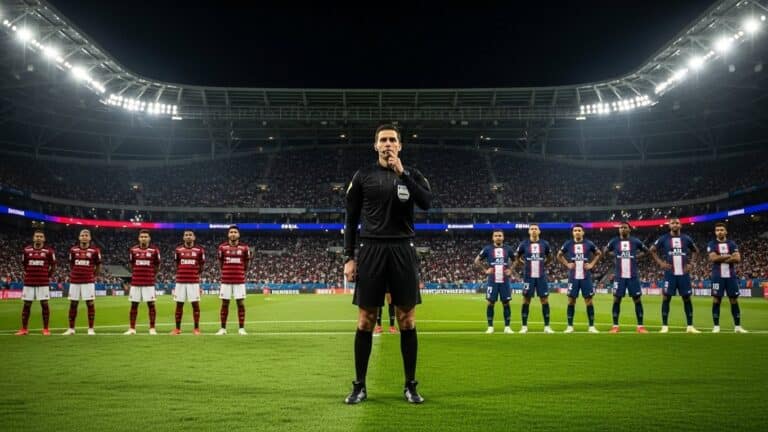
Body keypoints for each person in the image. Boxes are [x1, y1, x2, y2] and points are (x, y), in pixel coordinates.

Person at [343, 123, 432, 404]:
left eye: (392, 140)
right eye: (383, 140)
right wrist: (349, 257)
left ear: (400, 145)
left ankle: (410, 386)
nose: (388, 144)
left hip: (403, 249)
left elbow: (427, 203)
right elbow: (350, 219)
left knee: (407, 319)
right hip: (371, 249)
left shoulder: (412, 174)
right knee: (365, 320)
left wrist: (402, 173)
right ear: (375, 145)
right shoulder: (363, 175)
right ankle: (359, 386)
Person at [650, 217, 700, 333]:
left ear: (680, 225)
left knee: (686, 298)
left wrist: (691, 264)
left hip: (683, 274)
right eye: (672, 223)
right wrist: (660, 263)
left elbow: (695, 250)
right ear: (669, 225)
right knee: (666, 298)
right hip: (670, 274)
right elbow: (652, 249)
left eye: (677, 223)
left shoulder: (686, 238)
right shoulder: (664, 238)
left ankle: (690, 326)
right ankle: (664, 326)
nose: (675, 225)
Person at [604, 222, 649, 333]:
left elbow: (646, 251)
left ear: (629, 229)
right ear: (619, 230)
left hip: (632, 276)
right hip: (619, 276)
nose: (623, 229)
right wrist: (614, 257)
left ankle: (640, 326)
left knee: (637, 300)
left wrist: (636, 257)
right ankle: (615, 326)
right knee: (616, 299)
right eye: (621, 228)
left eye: (625, 227)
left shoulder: (635, 241)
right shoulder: (614, 241)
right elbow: (605, 251)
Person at [557, 224, 602, 333]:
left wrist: (592, 264)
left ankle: (591, 326)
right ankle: (570, 326)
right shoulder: (568, 244)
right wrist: (567, 264)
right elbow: (559, 255)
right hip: (573, 277)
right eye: (575, 230)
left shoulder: (589, 243)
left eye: (579, 230)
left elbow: (599, 253)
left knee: (589, 301)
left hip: (586, 277)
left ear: (583, 232)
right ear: (573, 233)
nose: (577, 232)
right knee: (571, 301)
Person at [707, 222, 747, 333]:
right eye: (717, 230)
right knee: (716, 299)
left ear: (726, 231)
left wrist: (721, 257)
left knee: (733, 299)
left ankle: (737, 327)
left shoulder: (732, 244)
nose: (719, 232)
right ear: (715, 232)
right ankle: (716, 326)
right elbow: (713, 258)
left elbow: (737, 259)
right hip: (717, 276)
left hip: (731, 276)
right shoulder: (712, 244)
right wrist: (729, 256)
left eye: (721, 230)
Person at [16, 229, 56, 336]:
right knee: (27, 304)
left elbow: (53, 266)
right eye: (37, 236)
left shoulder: (49, 251)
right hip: (29, 282)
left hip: (43, 282)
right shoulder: (26, 250)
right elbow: (25, 265)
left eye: (41, 236)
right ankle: (24, 329)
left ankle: (46, 329)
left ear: (44, 239)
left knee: (44, 304)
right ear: (33, 238)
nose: (38, 238)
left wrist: (47, 276)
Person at [515, 223, 554, 334]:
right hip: (528, 276)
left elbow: (550, 257)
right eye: (531, 229)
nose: (533, 230)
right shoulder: (524, 244)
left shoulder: (545, 244)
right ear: (529, 231)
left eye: (535, 229)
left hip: (541, 276)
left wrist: (543, 264)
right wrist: (524, 264)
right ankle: (524, 326)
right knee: (526, 300)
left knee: (544, 300)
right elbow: (517, 257)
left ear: (539, 231)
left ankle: (547, 326)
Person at [474, 230, 515, 334]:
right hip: (492, 280)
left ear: (503, 237)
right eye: (496, 236)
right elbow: (477, 260)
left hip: (504, 281)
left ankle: (507, 327)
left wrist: (511, 269)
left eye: (500, 235)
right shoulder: (487, 249)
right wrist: (485, 270)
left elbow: (516, 260)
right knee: (490, 303)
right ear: (493, 238)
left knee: (506, 303)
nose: (498, 237)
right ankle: (490, 327)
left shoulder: (508, 249)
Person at [63, 229, 101, 336]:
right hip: (75, 281)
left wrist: (93, 276)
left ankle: (91, 329)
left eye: (86, 235)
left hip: (88, 281)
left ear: (90, 238)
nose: (84, 237)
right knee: (73, 304)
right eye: (82, 235)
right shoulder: (73, 250)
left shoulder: (95, 251)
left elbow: (98, 265)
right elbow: (71, 264)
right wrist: (75, 273)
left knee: (90, 304)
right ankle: (71, 329)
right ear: (79, 237)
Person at [216, 225, 251, 336]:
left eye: (235, 232)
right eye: (231, 232)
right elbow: (220, 263)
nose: (233, 234)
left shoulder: (244, 248)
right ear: (228, 234)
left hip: (239, 280)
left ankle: (241, 328)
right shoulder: (222, 247)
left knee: (240, 303)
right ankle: (223, 328)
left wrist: (240, 272)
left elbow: (246, 264)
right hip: (226, 280)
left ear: (238, 234)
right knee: (224, 303)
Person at [124, 230, 161, 335]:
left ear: (149, 238)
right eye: (142, 237)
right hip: (136, 282)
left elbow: (157, 266)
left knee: (151, 305)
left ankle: (152, 328)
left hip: (149, 282)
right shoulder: (133, 250)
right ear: (139, 238)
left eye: (145, 237)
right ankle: (132, 328)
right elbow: (131, 265)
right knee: (134, 305)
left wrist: (151, 275)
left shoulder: (154, 251)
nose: (143, 238)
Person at [172, 230, 206, 335]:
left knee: (195, 305)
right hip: (180, 281)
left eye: (190, 235)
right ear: (183, 237)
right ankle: (177, 329)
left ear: (194, 237)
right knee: (179, 305)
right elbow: (177, 264)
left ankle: (196, 328)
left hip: (193, 282)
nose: (188, 237)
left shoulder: (199, 250)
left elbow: (202, 266)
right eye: (186, 235)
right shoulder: (178, 250)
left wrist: (194, 274)